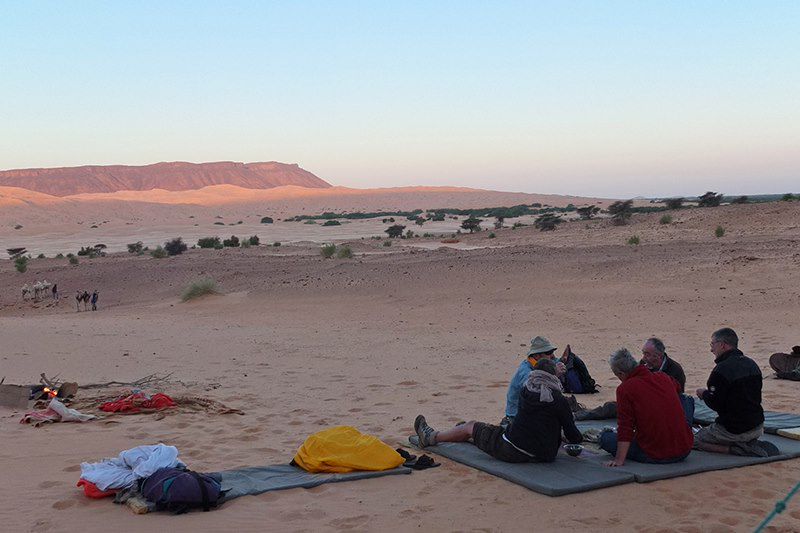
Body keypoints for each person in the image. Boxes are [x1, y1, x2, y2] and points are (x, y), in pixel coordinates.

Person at [415, 359, 582, 463]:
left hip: (514, 448)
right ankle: (469, 434)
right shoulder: (558, 399)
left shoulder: (526, 390)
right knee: (485, 431)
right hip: (546, 454)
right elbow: (574, 436)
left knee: (470, 426)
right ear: (553, 376)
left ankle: (431, 437)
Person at [600, 348, 693, 466]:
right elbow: (678, 387)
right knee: (687, 400)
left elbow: (625, 426)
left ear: (621, 374)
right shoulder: (663, 377)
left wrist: (619, 460)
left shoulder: (625, 389)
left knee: (606, 438)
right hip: (684, 449)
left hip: (656, 454)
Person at [694, 328, 775, 457]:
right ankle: (744, 442)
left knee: (693, 441)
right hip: (757, 425)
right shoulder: (751, 364)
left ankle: (738, 449)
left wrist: (704, 394)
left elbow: (716, 403)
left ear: (722, 345)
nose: (711, 349)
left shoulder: (721, 370)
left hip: (734, 429)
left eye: (712, 344)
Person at [575, 337, 689, 421]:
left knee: (612, 409)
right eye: (643, 354)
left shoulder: (674, 370)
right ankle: (582, 414)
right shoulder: (645, 364)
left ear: (658, 356)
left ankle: (581, 415)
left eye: (647, 354)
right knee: (610, 407)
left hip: (660, 408)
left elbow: (677, 396)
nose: (644, 358)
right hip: (644, 403)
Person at [503, 336, 563, 427]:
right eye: (548, 352)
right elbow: (537, 394)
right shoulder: (526, 372)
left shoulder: (537, 364)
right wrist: (554, 376)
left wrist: (562, 360)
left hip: (528, 411)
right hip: (517, 415)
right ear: (536, 356)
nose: (552, 356)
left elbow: (552, 362)